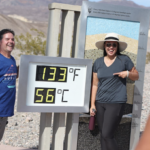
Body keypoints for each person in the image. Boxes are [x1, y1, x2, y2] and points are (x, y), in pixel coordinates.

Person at [90, 33, 139, 150]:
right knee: (103, 135)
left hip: (116, 103)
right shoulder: (98, 62)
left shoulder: (124, 60)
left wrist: (127, 73)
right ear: (105, 46)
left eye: (114, 45)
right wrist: (92, 104)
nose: (111, 47)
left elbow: (136, 76)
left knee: (107, 135)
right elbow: (95, 84)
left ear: (117, 47)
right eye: (108, 44)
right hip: (100, 102)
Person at [0, 29, 17, 141]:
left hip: (5, 110)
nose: (10, 41)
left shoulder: (12, 60)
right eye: (7, 39)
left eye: (12, 39)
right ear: (0, 42)